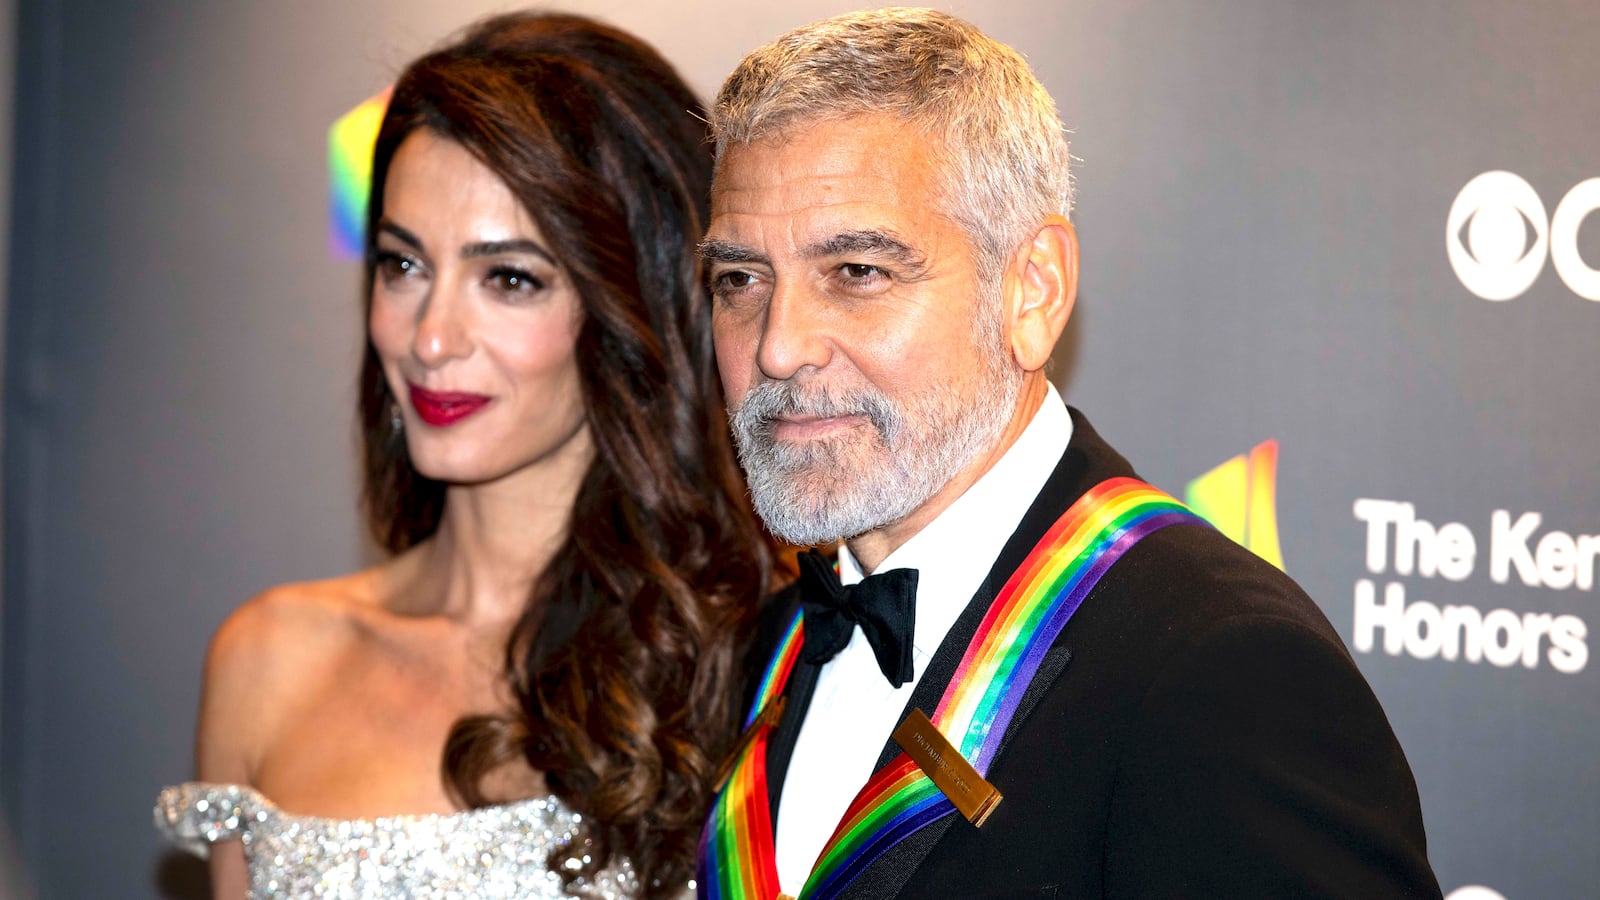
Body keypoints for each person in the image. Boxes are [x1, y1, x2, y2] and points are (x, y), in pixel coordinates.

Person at [695, 8, 1441, 899]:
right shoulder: (769, 641)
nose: (777, 347)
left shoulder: (1225, 674)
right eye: (740, 279)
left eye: (858, 273)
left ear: (1033, 291)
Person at [154, 11, 769, 899]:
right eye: (403, 266)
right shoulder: (270, 658)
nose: (430, 338)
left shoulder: (750, 660)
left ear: (628, 307)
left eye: (509, 278)